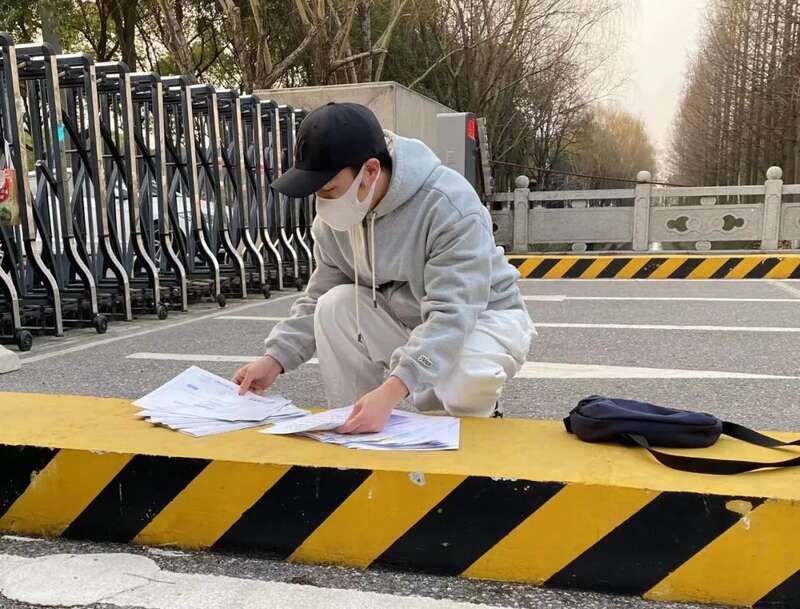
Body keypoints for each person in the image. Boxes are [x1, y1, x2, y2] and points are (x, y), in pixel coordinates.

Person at [233, 102, 534, 433]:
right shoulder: (334, 221)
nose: (323, 203)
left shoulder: (447, 204)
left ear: (370, 171)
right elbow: (318, 294)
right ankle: (355, 425)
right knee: (333, 305)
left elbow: (454, 313)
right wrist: (275, 358)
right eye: (316, 193)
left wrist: (393, 389)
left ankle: (479, 422)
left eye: (329, 189)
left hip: (483, 319)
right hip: (408, 317)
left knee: (466, 381)